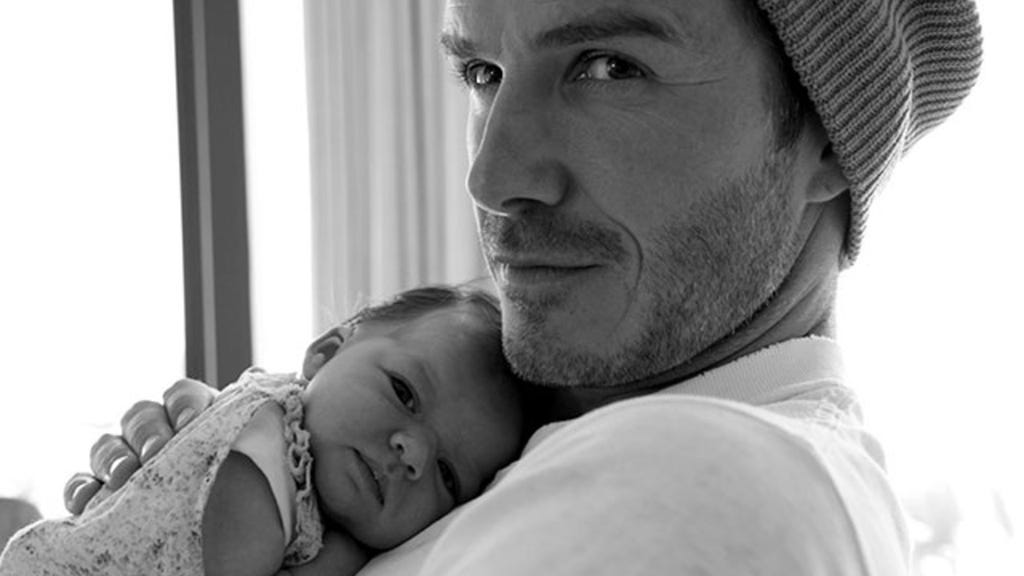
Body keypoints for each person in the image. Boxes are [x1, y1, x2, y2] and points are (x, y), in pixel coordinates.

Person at [65, 0, 984, 573]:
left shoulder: (706, 484)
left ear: (826, 138)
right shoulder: (509, 460)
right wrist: (205, 499)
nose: (492, 175)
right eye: (482, 72)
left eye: (609, 66)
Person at [3, 285, 524, 576]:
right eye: (404, 392)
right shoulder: (269, 441)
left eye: (447, 475)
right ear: (325, 354)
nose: (413, 453)